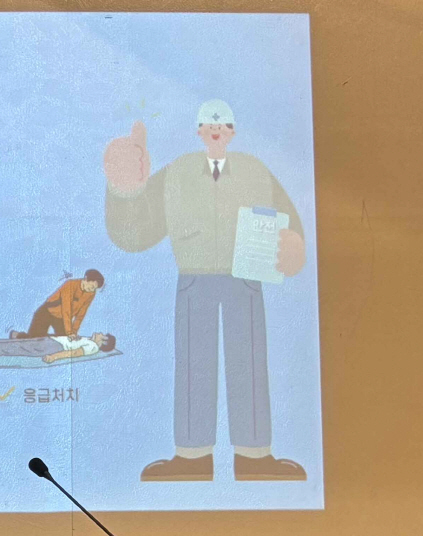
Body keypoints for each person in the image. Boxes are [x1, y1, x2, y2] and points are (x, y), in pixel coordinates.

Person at [104, 99, 308, 482]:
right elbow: (134, 235)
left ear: (232, 132)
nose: (216, 130)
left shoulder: (255, 171)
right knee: (193, 364)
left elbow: (289, 226)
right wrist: (125, 190)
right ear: (199, 131)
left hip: (245, 279)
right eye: (209, 124)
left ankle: (254, 455)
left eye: (224, 124)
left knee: (249, 361)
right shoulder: (177, 173)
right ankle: (192, 456)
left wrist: (293, 246)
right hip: (195, 280)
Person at [18, 270, 103, 338]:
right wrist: (69, 332)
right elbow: (66, 309)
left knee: (64, 341)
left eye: (95, 288)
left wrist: (74, 332)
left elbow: (81, 314)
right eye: (92, 286)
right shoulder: (70, 285)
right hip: (46, 312)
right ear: (86, 279)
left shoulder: (91, 293)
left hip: (60, 319)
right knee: (33, 338)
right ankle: (16, 335)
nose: (92, 290)